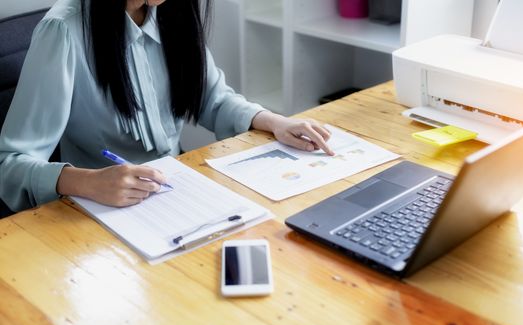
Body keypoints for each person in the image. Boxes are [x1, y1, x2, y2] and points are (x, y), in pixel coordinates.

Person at [0, 0, 334, 212]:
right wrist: (88, 182)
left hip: (174, 195)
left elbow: (213, 99)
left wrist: (275, 122)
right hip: (98, 210)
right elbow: (10, 164)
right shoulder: (64, 30)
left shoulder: (171, 11)